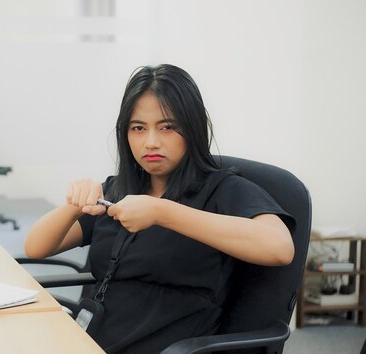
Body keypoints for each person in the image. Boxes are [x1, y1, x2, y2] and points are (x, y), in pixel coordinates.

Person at [24, 64, 295, 353]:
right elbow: (36, 247)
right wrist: (73, 206)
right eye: (138, 128)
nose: (151, 142)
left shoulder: (223, 189)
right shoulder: (119, 190)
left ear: (192, 129)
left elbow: (279, 247)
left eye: (167, 127)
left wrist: (163, 213)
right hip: (92, 341)